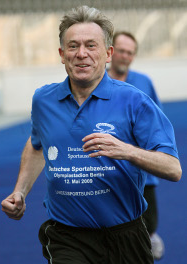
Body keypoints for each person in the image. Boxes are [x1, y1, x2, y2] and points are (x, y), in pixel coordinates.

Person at [1, 6, 182, 264]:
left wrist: (125, 150)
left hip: (126, 234)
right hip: (67, 236)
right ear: (62, 54)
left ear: (108, 53)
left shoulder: (135, 101)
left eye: (91, 45)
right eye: (73, 46)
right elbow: (38, 144)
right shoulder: (44, 100)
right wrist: (20, 191)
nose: (81, 54)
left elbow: (173, 168)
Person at [107, 31, 165, 260]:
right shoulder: (96, 81)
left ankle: (150, 235)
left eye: (130, 53)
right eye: (121, 51)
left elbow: (158, 122)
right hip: (108, 168)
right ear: (111, 51)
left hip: (142, 169)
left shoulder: (143, 82)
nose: (125, 56)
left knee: (148, 224)